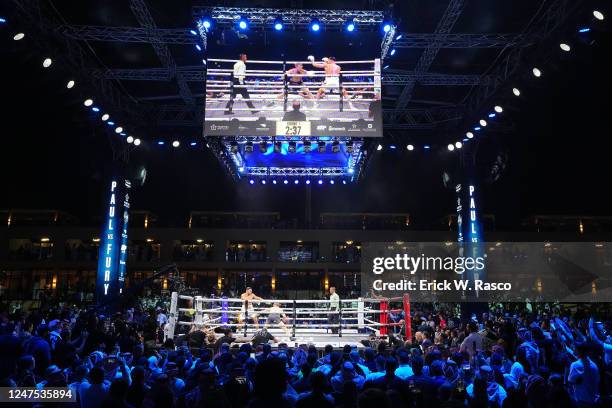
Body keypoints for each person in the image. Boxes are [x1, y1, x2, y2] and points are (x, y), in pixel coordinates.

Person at [568, 341, 599, 407]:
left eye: (574, 348)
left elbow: (570, 381)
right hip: (593, 399)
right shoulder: (594, 365)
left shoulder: (575, 365)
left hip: (582, 400)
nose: (573, 349)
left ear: (580, 351)